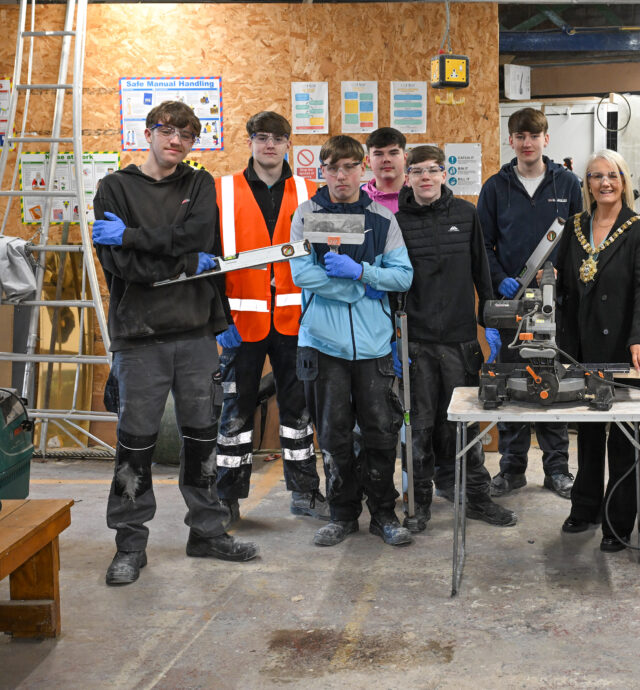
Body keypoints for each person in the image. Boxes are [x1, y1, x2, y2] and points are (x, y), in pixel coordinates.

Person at [92, 101, 259, 586]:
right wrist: (184, 261)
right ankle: (130, 543)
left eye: (187, 135)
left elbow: (198, 234)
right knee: (135, 442)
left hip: (195, 332)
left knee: (203, 436)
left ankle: (207, 532)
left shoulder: (199, 184)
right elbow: (120, 264)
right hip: (139, 335)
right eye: (168, 131)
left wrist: (132, 235)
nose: (177, 141)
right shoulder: (114, 188)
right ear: (148, 133)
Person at [289, 135, 414, 547]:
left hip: (374, 344)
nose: (341, 176)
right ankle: (342, 515)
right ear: (322, 171)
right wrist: (358, 287)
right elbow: (302, 274)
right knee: (333, 434)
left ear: (362, 168)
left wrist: (362, 272)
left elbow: (403, 276)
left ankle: (383, 513)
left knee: (380, 432)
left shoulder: (382, 219)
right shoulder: (305, 214)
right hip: (323, 344)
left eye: (348, 167)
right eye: (332, 168)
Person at [393, 145, 516, 532]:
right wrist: (394, 337)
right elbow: (392, 286)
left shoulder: (465, 214)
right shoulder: (396, 223)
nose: (425, 177)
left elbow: (482, 271)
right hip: (416, 343)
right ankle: (418, 505)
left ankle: (476, 497)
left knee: (466, 424)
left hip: (461, 341)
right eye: (417, 171)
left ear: (444, 174)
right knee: (419, 428)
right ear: (408, 178)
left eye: (433, 170)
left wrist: (490, 323)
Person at [213, 111, 325, 524]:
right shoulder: (222, 191)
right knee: (235, 413)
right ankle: (226, 498)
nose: (270, 144)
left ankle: (305, 492)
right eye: (262, 137)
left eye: (278, 138)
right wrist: (218, 318)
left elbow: (324, 255)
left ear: (289, 144)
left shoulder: (310, 191)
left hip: (297, 323)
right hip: (239, 324)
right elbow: (209, 259)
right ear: (250, 142)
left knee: (299, 413)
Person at [556, 150, 640, 552]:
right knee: (587, 431)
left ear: (624, 180)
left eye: (612, 175)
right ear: (586, 184)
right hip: (579, 346)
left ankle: (618, 523)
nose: (605, 183)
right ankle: (585, 507)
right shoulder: (574, 226)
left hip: (623, 346)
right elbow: (564, 285)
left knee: (622, 437)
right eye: (596, 176)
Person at [478, 107, 583, 499]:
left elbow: (579, 240)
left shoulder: (567, 183)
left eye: (534, 136)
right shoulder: (495, 188)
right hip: (513, 302)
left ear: (546, 140)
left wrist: (561, 277)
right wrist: (498, 279)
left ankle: (557, 469)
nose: (527, 143)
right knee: (512, 383)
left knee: (553, 379)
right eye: (520, 136)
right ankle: (511, 469)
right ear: (511, 140)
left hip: (556, 301)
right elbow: (483, 245)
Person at [362, 127, 407, 213]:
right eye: (378, 154)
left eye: (393, 153)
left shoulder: (422, 196)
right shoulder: (356, 199)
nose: (386, 159)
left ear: (405, 158)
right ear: (368, 161)